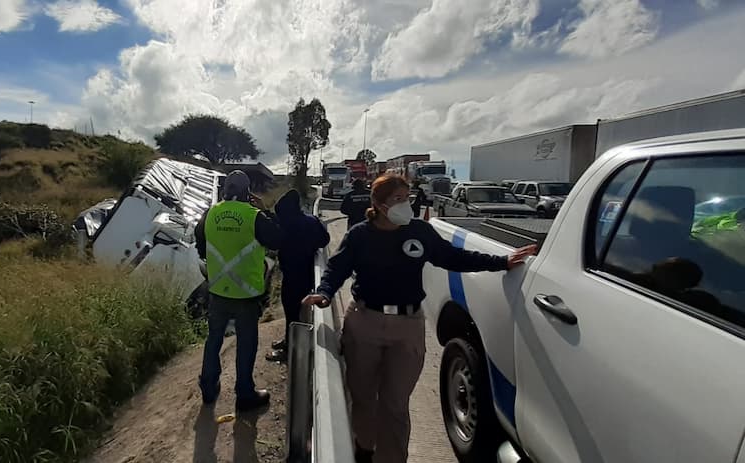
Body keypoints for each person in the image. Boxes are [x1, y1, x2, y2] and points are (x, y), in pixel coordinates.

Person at [302, 174, 535, 463]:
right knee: (362, 398)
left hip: (407, 328)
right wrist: (324, 293)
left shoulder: (420, 232)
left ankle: (392, 458)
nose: (406, 204)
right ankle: (363, 448)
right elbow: (336, 269)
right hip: (365, 322)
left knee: (395, 404)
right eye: (397, 199)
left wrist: (501, 262)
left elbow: (454, 258)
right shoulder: (360, 235)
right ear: (379, 204)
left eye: (407, 197)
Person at [194, 170, 283, 411]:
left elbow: (201, 248)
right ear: (248, 192)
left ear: (225, 190)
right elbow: (277, 241)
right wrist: (265, 210)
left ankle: (208, 388)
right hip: (246, 293)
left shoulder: (209, 214)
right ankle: (244, 394)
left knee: (214, 339)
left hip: (218, 291)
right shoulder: (255, 216)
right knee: (246, 342)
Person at [265, 189, 330, 362]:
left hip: (292, 277)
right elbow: (325, 240)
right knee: (297, 313)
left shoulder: (285, 225)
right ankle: (289, 341)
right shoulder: (311, 221)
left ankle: (290, 351)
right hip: (308, 275)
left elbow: (274, 241)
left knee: (292, 313)